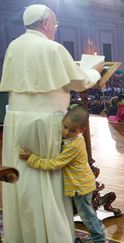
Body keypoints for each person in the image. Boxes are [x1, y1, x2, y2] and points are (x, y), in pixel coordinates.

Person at [0, 4, 104, 242]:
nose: (55, 29)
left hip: (15, 119)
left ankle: (23, 235)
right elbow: (80, 81)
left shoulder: (14, 46)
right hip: (44, 121)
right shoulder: (53, 48)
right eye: (55, 25)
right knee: (46, 178)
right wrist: (96, 71)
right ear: (46, 23)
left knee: (22, 177)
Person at [18, 106, 106, 242]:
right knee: (87, 212)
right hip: (81, 184)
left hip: (80, 187)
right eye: (65, 127)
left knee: (87, 215)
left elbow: (55, 164)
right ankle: (97, 234)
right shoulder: (74, 139)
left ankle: (99, 238)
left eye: (72, 130)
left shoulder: (73, 145)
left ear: (82, 130)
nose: (66, 132)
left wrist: (32, 158)